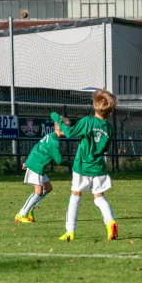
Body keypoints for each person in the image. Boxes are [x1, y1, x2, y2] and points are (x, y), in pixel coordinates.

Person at [50, 89, 119, 241]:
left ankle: (70, 231)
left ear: (95, 106)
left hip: (82, 167)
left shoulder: (87, 121)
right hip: (99, 168)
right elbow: (106, 147)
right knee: (99, 197)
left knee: (75, 196)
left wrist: (57, 119)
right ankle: (110, 222)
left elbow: (69, 132)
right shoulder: (109, 128)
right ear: (110, 111)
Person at [15, 118, 72, 223]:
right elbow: (59, 161)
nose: (69, 130)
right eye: (67, 127)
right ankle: (21, 214)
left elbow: (37, 147)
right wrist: (73, 164)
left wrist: (27, 161)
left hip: (36, 164)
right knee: (38, 192)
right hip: (36, 165)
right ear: (61, 128)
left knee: (48, 188)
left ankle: (30, 209)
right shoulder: (54, 141)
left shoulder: (50, 136)